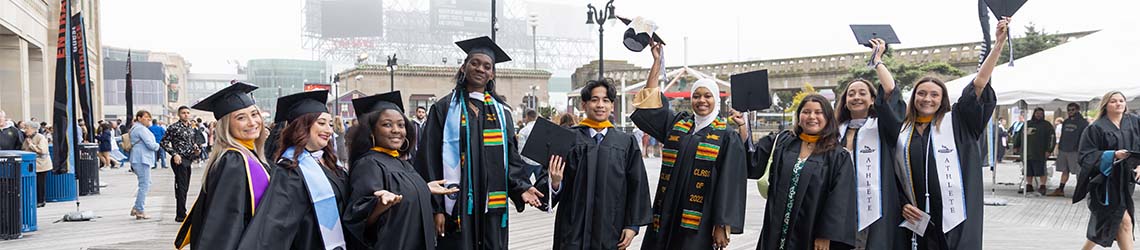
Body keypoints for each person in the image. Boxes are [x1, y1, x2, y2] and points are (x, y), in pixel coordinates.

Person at [412, 36, 545, 249]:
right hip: (456, 206)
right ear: (464, 67)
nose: (480, 69)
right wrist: (436, 208)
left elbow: (511, 159)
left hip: (492, 208)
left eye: (486, 66)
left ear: (492, 73)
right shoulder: (444, 109)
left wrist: (522, 187)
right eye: (474, 63)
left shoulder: (502, 114)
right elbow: (430, 159)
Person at [894, 17, 1008, 250]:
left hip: (956, 218)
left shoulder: (957, 123)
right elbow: (894, 177)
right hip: (916, 220)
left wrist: (998, 46)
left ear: (943, 99)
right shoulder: (903, 131)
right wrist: (902, 203)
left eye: (934, 95)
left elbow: (979, 84)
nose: (927, 99)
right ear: (913, 97)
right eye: (922, 93)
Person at [630, 42, 747, 250]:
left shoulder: (727, 136)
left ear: (716, 100)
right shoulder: (679, 124)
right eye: (696, 95)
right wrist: (656, 62)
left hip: (699, 218)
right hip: (667, 209)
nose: (701, 100)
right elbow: (650, 106)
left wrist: (722, 225)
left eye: (707, 96)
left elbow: (730, 183)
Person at [237, 90, 357, 249]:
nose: (329, 130)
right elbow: (274, 227)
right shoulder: (288, 170)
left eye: (330, 124)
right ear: (302, 126)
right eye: (321, 123)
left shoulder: (333, 164)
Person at [342, 91, 460, 250]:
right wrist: (377, 205)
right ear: (371, 131)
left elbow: (402, 195)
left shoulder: (401, 162)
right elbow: (357, 218)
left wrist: (422, 188)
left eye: (401, 124)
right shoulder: (369, 164)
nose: (396, 130)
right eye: (387, 124)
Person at [544, 80, 653, 249]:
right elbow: (549, 188)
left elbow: (637, 185)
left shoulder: (626, 142)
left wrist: (632, 226)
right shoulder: (567, 138)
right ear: (584, 104)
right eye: (594, 100)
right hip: (573, 228)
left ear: (611, 105)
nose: (600, 105)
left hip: (611, 228)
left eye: (606, 100)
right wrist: (556, 183)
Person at [745, 94, 856, 250]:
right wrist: (743, 125)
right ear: (799, 116)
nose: (812, 117)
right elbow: (753, 159)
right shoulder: (783, 142)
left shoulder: (838, 156)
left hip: (811, 234)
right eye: (806, 112)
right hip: (776, 231)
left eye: (818, 112)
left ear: (828, 118)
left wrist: (826, 235)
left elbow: (840, 200)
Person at [827, 38, 908, 250]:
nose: (856, 97)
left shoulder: (882, 127)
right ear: (844, 101)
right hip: (841, 206)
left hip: (876, 205)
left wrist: (878, 60)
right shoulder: (835, 131)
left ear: (873, 99)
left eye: (862, 93)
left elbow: (891, 93)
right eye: (851, 94)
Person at [175, 82, 270, 250]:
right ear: (226, 125)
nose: (252, 122)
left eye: (254, 114)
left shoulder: (250, 154)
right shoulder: (233, 161)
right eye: (241, 117)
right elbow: (223, 225)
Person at [1074, 91, 1140, 250]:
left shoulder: (1134, 122)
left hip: (1126, 180)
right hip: (1105, 182)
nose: (1118, 104)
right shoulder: (1096, 128)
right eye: (1113, 101)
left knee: (1108, 221)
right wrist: (1112, 155)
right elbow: (1085, 156)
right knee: (1124, 221)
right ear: (1106, 105)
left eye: (1121, 101)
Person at [161, 106, 202, 222]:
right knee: (181, 187)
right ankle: (180, 214)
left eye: (188, 113)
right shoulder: (173, 127)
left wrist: (196, 149)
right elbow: (163, 142)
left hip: (189, 159)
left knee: (185, 187)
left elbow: (191, 142)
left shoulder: (190, 128)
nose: (186, 115)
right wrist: (174, 154)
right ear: (179, 115)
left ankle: (182, 211)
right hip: (179, 160)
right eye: (183, 113)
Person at [1051, 103, 1090, 197]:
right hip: (1064, 149)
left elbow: (1085, 137)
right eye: (1069, 110)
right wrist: (1059, 147)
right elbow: (1063, 135)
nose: (1070, 111)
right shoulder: (1066, 122)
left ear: (1077, 110)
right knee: (1065, 170)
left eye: (1072, 109)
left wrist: (1081, 149)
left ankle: (1081, 190)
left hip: (1076, 150)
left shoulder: (1083, 123)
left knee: (1078, 171)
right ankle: (1060, 189)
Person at [1014, 107, 1055, 195]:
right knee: (1028, 170)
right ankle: (1029, 185)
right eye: (1037, 113)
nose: (1038, 115)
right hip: (1027, 152)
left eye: (1040, 113)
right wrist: (1016, 145)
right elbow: (1019, 135)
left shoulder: (1047, 125)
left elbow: (1052, 138)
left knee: (1041, 170)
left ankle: (1042, 186)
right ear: (1034, 114)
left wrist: (1049, 150)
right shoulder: (1027, 124)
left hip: (1040, 152)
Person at [129, 110, 161, 220]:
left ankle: (137, 207)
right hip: (142, 159)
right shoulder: (141, 129)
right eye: (146, 117)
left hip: (139, 158)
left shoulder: (135, 128)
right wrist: (158, 145)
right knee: (144, 184)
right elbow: (150, 145)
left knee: (145, 183)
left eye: (149, 117)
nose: (148, 119)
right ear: (139, 118)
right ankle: (139, 210)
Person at [21, 121, 51, 207]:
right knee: (34, 183)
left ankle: (41, 201)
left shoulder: (40, 137)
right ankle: (36, 200)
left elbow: (42, 150)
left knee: (40, 183)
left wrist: (31, 145)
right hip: (31, 166)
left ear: (33, 129)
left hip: (41, 165)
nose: (25, 130)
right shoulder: (27, 138)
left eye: (27, 128)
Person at [516, 110, 542, 181]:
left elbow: (521, 149)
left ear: (527, 117)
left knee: (524, 184)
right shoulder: (542, 130)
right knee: (541, 184)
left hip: (527, 162)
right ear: (535, 117)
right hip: (540, 162)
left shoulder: (523, 131)